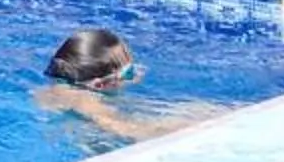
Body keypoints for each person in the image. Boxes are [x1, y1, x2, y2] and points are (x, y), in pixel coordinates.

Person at [33, 30, 206, 145]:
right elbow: (126, 130)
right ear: (100, 84)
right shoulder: (82, 100)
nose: (139, 73)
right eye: (130, 72)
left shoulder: (55, 90)